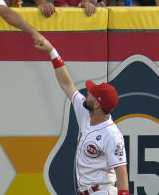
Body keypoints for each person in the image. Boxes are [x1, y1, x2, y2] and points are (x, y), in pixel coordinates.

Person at [34, 37, 130, 195]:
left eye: (92, 93)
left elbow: (121, 169)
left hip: (103, 191)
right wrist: (52, 52)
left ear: (98, 104)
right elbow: (67, 84)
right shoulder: (86, 111)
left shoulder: (111, 134)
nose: (88, 93)